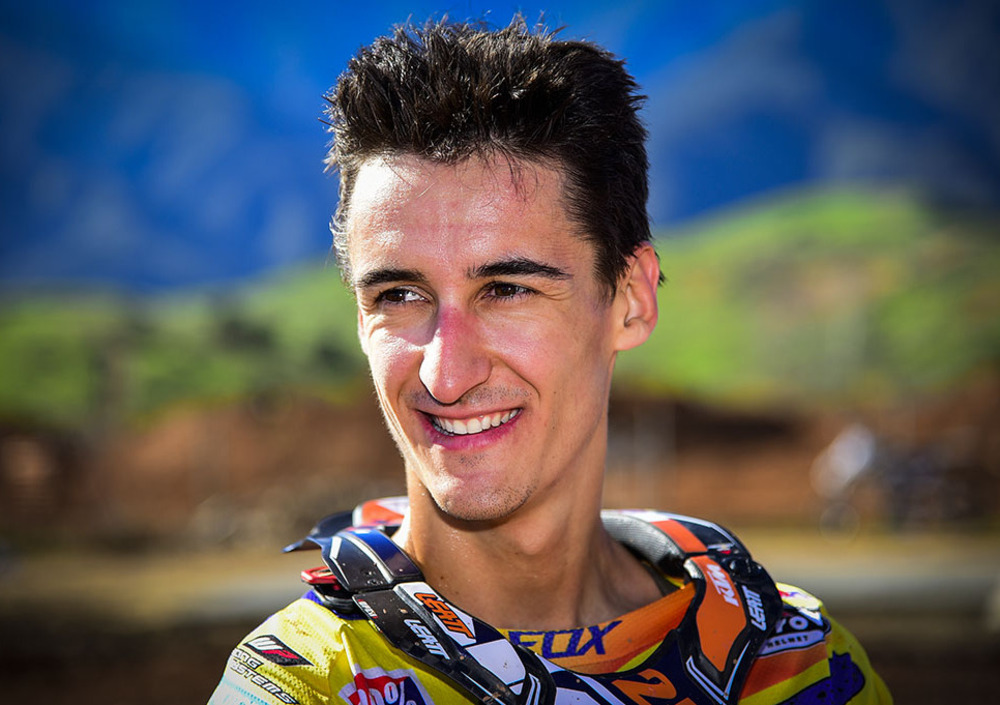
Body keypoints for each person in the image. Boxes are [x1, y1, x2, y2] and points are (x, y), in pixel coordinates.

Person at [208, 16, 891, 705]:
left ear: (631, 300)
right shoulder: (306, 684)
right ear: (361, 319)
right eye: (399, 295)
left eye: (506, 289)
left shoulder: (801, 665)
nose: (445, 374)